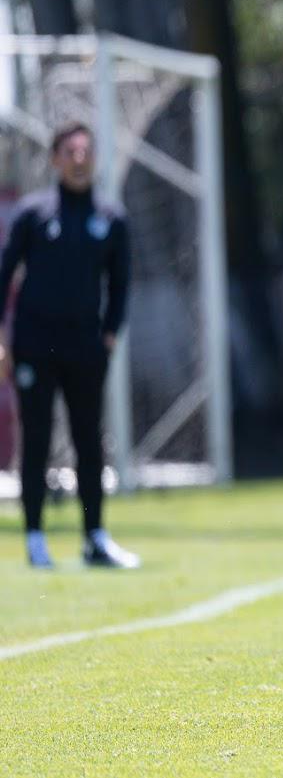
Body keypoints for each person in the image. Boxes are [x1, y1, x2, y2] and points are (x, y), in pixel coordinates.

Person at [0, 122, 137, 569]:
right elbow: (4, 280)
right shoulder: (32, 213)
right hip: (35, 345)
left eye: (86, 150)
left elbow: (120, 286)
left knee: (89, 443)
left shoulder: (112, 218)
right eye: (70, 151)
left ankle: (95, 536)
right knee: (35, 440)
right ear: (56, 158)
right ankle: (36, 539)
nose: (80, 158)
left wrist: (110, 334)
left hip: (85, 347)